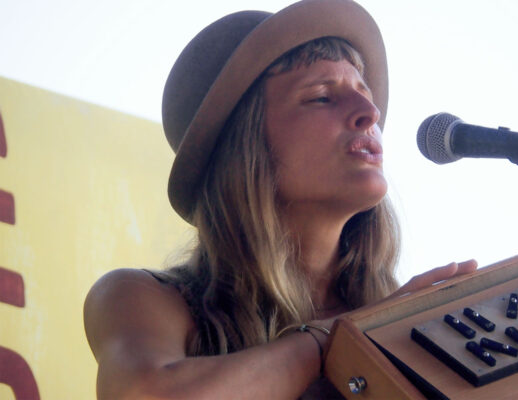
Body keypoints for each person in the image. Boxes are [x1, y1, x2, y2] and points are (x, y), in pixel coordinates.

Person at [83, 1, 477, 398]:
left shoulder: (410, 316)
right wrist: (341, 339)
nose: (369, 112)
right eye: (322, 96)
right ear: (245, 147)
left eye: (364, 92)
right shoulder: (139, 298)